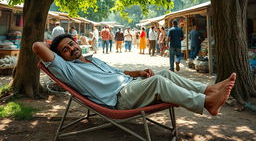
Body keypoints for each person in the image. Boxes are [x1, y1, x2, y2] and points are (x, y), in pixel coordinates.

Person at [32, 34, 236, 116]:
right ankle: (205, 103)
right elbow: (37, 46)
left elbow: (118, 73)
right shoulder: (67, 69)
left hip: (131, 85)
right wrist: (54, 45)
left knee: (164, 72)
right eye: (65, 49)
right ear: (61, 57)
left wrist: (138, 73)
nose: (71, 48)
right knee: (158, 82)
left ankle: (209, 90)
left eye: (71, 43)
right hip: (119, 99)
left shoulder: (94, 59)